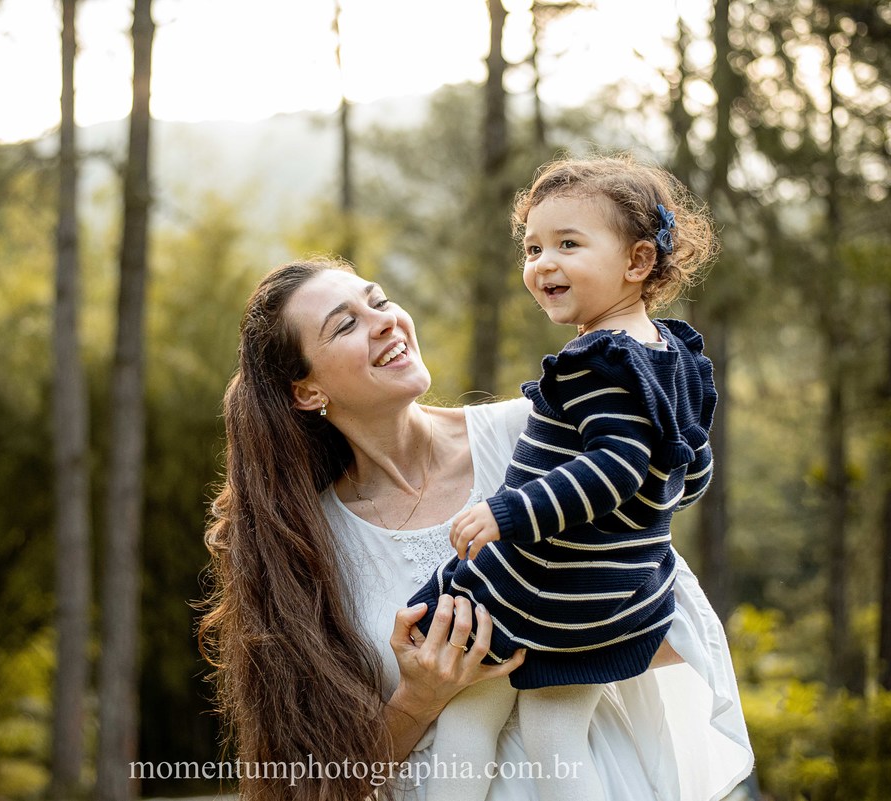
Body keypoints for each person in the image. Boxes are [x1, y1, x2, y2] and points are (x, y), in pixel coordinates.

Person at [199, 255, 753, 801]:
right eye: (346, 325)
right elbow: (319, 783)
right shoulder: (309, 541)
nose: (384, 321)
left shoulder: (541, 435)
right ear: (307, 391)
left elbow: (681, 620)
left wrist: (555, 638)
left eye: (379, 301)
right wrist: (420, 697)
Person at [404, 155, 722, 801]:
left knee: (468, 716)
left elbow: (616, 466)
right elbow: (689, 464)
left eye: (568, 245)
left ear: (637, 261)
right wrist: (657, 502)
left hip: (541, 587)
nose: (543, 263)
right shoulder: (672, 354)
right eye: (533, 248)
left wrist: (510, 511)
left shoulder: (597, 360)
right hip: (613, 599)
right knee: (556, 737)